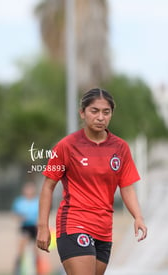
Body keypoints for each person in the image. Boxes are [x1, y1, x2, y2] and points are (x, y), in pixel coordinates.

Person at [36, 88, 147, 275]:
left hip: (104, 229)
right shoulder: (66, 146)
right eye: (94, 111)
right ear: (82, 113)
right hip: (74, 223)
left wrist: (138, 217)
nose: (100, 117)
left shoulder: (120, 148)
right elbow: (48, 187)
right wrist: (42, 227)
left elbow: (127, 188)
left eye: (106, 112)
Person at [11, 181, 41, 275]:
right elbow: (15, 214)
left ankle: (38, 268)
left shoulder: (37, 201)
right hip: (25, 226)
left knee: (36, 249)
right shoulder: (19, 201)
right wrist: (21, 217)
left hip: (35, 227)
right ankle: (18, 267)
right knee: (21, 246)